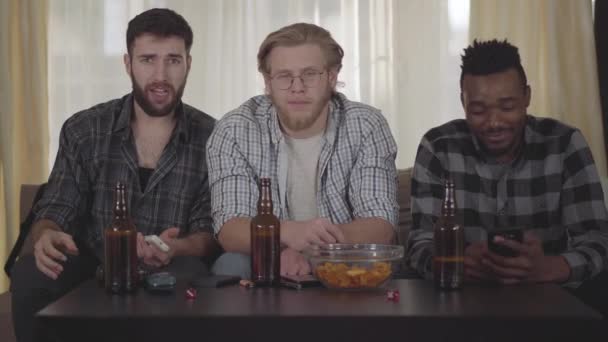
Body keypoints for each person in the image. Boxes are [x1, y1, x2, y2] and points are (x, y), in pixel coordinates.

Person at [10, 8, 218, 342]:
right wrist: (46, 233)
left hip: (173, 265)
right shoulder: (84, 128)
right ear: (128, 63)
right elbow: (58, 206)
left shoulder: (213, 136)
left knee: (188, 277)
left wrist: (176, 247)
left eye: (173, 60)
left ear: (188, 64)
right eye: (148, 59)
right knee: (31, 275)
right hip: (94, 259)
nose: (160, 74)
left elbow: (209, 231)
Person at [407, 39, 608, 314]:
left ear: (527, 97)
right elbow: (419, 243)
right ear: (462, 102)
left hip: (551, 301)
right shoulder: (439, 146)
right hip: (461, 303)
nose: (494, 122)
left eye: (507, 107)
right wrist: (457, 261)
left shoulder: (564, 144)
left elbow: (597, 240)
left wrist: (548, 267)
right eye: (478, 110)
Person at [207, 23, 398, 278]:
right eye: (284, 76)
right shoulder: (234, 129)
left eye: (309, 74)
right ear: (268, 82)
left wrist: (315, 253)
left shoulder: (366, 125)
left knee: (375, 263)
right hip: (268, 258)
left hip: (343, 258)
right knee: (231, 264)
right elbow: (230, 229)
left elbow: (380, 225)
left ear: (331, 77)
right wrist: (287, 237)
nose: (297, 87)